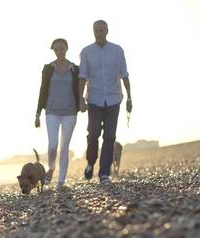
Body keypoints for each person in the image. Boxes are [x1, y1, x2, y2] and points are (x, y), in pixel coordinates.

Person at [78, 20, 133, 184]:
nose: (98, 33)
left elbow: (125, 75)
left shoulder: (117, 50)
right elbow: (82, 77)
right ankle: (90, 162)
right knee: (93, 134)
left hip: (113, 99)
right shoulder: (86, 52)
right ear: (93, 32)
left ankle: (104, 174)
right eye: (96, 30)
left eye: (101, 30)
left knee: (109, 137)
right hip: (94, 101)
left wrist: (129, 98)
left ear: (107, 31)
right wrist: (80, 99)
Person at [35, 38, 80, 188]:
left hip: (70, 112)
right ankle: (52, 167)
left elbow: (81, 87)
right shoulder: (48, 68)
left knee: (64, 146)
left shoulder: (75, 69)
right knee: (53, 145)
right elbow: (42, 90)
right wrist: (37, 113)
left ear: (66, 49)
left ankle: (61, 180)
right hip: (51, 111)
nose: (59, 51)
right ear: (54, 51)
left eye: (62, 48)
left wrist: (82, 102)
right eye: (56, 49)